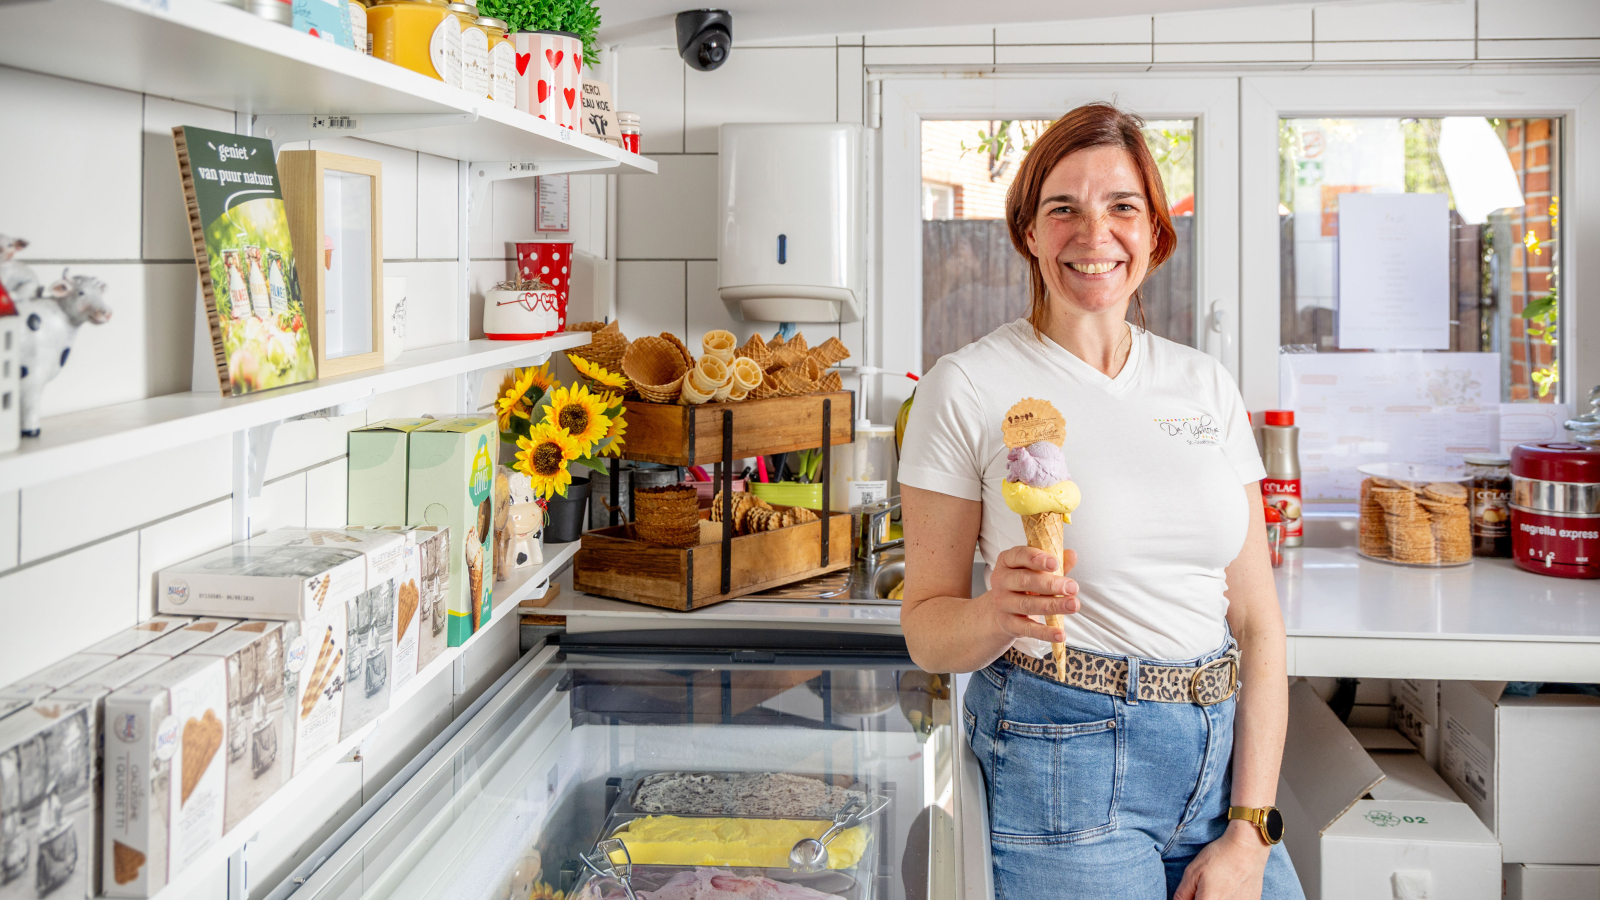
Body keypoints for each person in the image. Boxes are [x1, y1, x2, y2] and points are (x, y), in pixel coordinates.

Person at [898, 103, 1302, 900]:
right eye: (1064, 209)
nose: (1095, 234)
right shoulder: (968, 385)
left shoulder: (1205, 385)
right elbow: (926, 630)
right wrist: (997, 613)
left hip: (1222, 768)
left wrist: (1251, 829)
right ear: (1028, 232)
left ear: (1154, 231)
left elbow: (1258, 624)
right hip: (1063, 754)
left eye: (1122, 206)